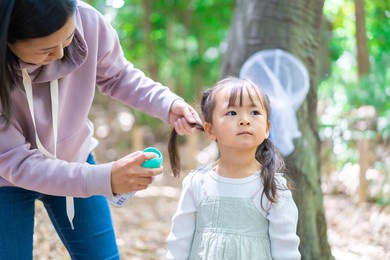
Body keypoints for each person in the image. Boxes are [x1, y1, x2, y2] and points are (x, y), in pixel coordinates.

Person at [0, 0, 201, 259]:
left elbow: (118, 76)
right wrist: (103, 179)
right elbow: (18, 162)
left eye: (69, 38)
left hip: (76, 158)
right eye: (46, 50)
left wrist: (167, 103)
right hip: (6, 180)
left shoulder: (87, 20)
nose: (61, 54)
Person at [166, 76, 301, 260]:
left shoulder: (273, 187)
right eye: (231, 113)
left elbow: (286, 250)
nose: (245, 120)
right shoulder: (197, 182)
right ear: (210, 130)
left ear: (267, 128)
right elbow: (178, 244)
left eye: (254, 112)